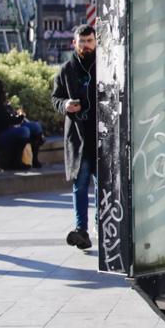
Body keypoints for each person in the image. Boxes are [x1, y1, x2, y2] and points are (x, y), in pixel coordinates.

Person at [53, 24, 98, 250]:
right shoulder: (66, 69)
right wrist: (65, 105)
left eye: (89, 41)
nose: (86, 46)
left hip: (102, 137)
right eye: (82, 42)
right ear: (75, 43)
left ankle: (103, 225)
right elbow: (55, 98)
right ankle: (81, 230)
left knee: (105, 186)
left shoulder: (106, 66)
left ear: (96, 42)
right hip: (78, 139)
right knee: (80, 186)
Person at [0, 77, 44, 171]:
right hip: (0, 135)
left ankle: (34, 159)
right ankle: (16, 162)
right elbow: (8, 120)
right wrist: (21, 116)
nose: (4, 90)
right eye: (2, 88)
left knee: (35, 126)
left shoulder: (2, 103)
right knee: (24, 131)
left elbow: (10, 117)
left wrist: (16, 114)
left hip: (10, 128)